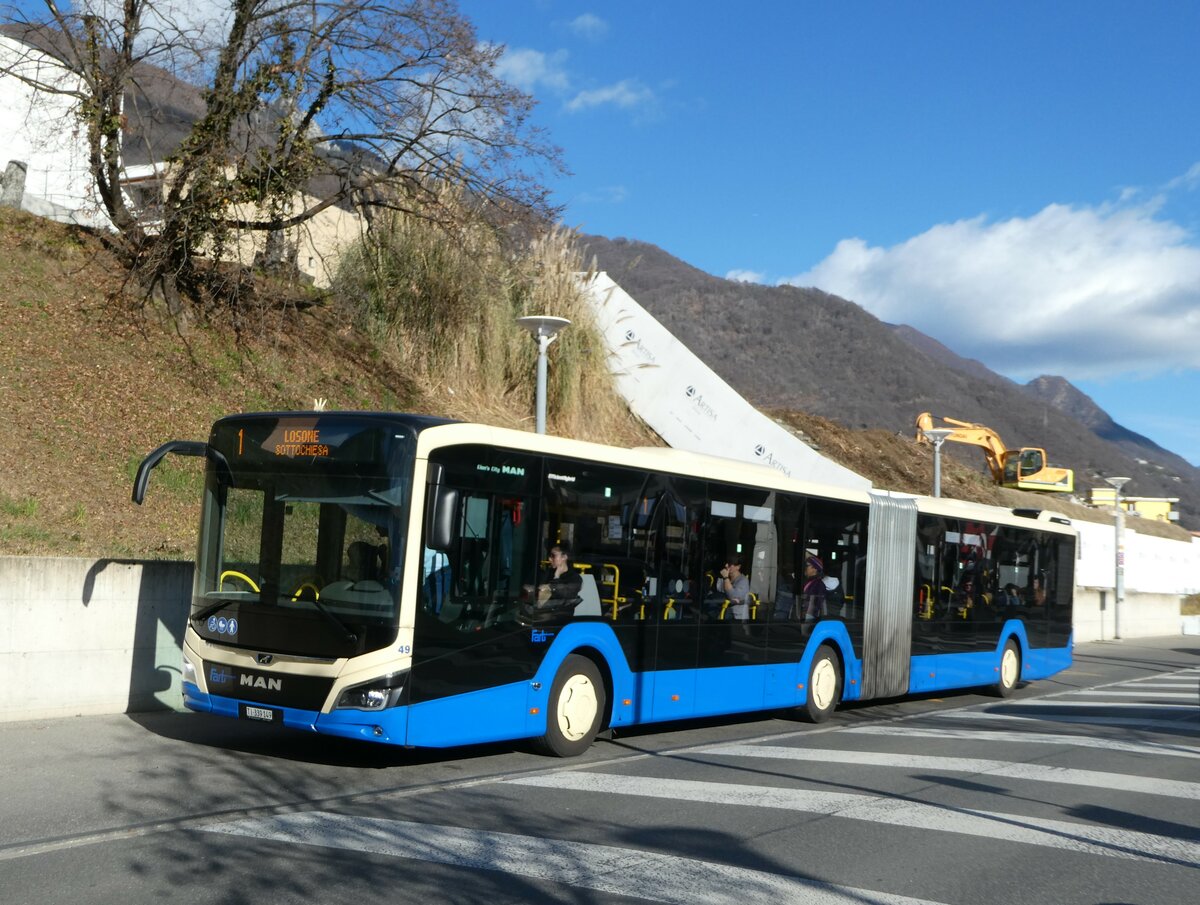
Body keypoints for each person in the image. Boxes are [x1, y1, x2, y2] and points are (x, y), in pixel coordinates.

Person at [522, 542, 583, 620]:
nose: (550, 559)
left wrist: (556, 577)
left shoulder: (574, 578)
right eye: (550, 556)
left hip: (560, 620)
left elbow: (564, 594)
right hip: (541, 617)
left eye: (553, 555)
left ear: (564, 557)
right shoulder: (546, 573)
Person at [800, 554, 827, 622]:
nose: (805, 568)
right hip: (803, 616)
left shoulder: (819, 584)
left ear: (815, 569)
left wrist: (807, 619)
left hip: (809, 618)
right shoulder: (809, 581)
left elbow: (815, 604)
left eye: (807, 565)